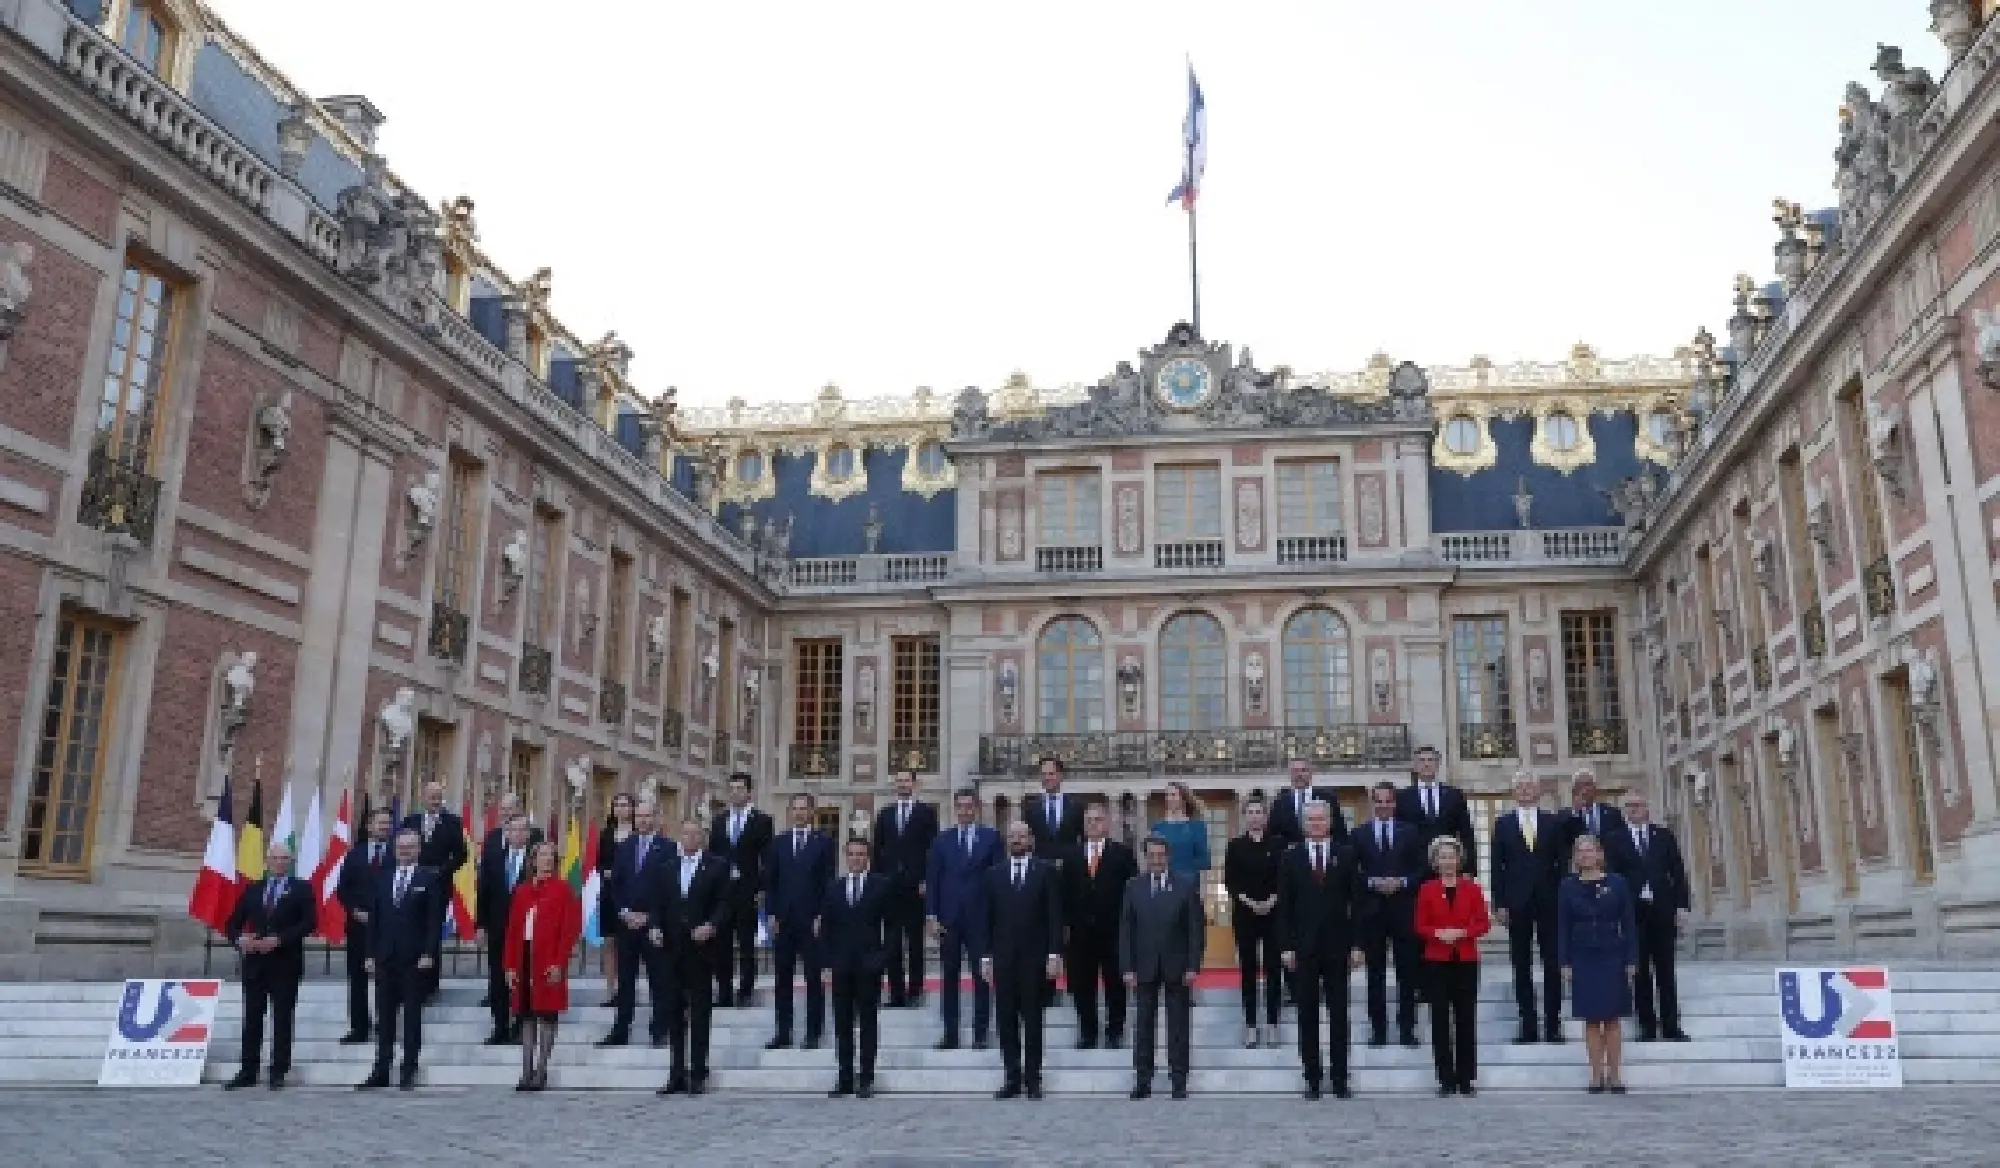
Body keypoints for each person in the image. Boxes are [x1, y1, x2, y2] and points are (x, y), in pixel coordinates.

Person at [1276, 800, 1363, 1101]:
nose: (1315, 824)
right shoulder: (1291, 858)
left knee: (1339, 1014)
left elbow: (1358, 904)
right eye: (1310, 820)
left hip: (1338, 947)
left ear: (1329, 822)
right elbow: (1284, 906)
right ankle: (1312, 1077)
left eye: (1320, 819)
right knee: (1307, 1015)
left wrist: (1357, 945)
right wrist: (1286, 946)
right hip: (1304, 948)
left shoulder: (1347, 855)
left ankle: (1340, 1078)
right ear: (1304, 824)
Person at [223, 840, 315, 1090]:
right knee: (252, 1017)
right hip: (255, 964)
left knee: (282, 1018)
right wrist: (240, 939)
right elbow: (232, 923)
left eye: (284, 859)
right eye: (275, 858)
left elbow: (309, 923)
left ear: (291, 862)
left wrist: (280, 939)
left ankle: (278, 1070)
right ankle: (248, 1070)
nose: (279, 863)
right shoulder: (253, 889)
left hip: (285, 963)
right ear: (267, 861)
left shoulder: (302, 889)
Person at [982, 819, 1063, 1100]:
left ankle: (1033, 1079)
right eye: (1012, 835)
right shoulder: (993, 875)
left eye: (1022, 835)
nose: (1016, 840)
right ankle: (1012, 1078)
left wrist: (1054, 954)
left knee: (1033, 1021)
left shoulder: (1046, 872)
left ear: (1031, 839)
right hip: (1003, 959)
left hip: (1035, 959)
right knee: (1006, 1021)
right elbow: (987, 920)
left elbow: (1055, 916)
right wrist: (985, 956)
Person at [1120, 834, 1205, 1100]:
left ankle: (1179, 1079)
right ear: (1146, 857)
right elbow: (1126, 929)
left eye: (1161, 855)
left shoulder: (1185, 885)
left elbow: (1196, 929)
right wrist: (1127, 967)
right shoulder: (1133, 886)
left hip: (1177, 966)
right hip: (1143, 966)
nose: (1156, 860)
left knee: (1178, 1025)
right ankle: (1143, 1079)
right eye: (1151, 855)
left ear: (1168, 856)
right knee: (1143, 1025)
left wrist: (1193, 965)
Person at [359, 829, 445, 1091]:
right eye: (401, 847)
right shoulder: (382, 879)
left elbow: (433, 922)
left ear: (418, 849)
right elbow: (374, 920)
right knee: (384, 1018)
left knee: (411, 1017)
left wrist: (429, 953)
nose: (405, 851)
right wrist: (370, 954)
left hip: (414, 959)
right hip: (385, 957)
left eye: (410, 847)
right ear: (395, 850)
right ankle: (381, 1069)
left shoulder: (429, 879)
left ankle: (408, 1068)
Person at [1604, 791, 1691, 1043]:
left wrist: (1681, 905)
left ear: (1647, 808)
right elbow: (1612, 876)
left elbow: (1677, 871)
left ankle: (1671, 1025)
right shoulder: (1614, 839)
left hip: (1662, 911)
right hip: (1633, 913)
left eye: (1638, 805)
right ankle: (1647, 1026)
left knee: (1666, 970)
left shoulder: (1663, 836)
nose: (1634, 810)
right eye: (1629, 806)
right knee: (1640, 972)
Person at [652, 818, 731, 1095]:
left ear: (702, 838)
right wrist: (655, 928)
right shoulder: (666, 868)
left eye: (694, 834)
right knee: (673, 1011)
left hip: (701, 949)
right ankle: (676, 1072)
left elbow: (724, 903)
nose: (688, 839)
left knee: (699, 1012)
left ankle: (698, 1071)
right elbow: (658, 905)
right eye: (684, 834)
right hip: (671, 949)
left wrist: (711, 926)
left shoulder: (717, 866)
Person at [1560, 833, 1638, 1094]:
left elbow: (1628, 923)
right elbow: (1562, 926)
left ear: (1600, 854)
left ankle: (1616, 1075)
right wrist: (1564, 961)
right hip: (1583, 955)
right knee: (1591, 1020)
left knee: (1613, 1020)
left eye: (1589, 850)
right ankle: (1596, 1075)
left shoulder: (1618, 883)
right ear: (1575, 857)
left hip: (1612, 953)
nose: (1585, 855)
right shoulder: (1567, 886)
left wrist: (1631, 959)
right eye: (1580, 851)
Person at [1491, 772, 1565, 1045]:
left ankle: (1553, 1025)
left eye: (1529, 786)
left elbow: (1563, 863)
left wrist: (1562, 898)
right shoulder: (1503, 824)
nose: (1524, 790)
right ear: (1514, 792)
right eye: (1519, 786)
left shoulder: (1552, 822)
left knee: (1552, 964)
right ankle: (1528, 1025)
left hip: (1549, 901)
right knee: (1521, 965)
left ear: (1538, 790)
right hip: (1516, 902)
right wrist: (1499, 903)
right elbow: (1497, 867)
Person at [1414, 837, 1491, 1097]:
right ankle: (1445, 1079)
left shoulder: (1472, 888)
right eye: (1442, 857)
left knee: (1465, 1019)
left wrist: (1462, 932)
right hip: (1436, 960)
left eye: (1451, 856)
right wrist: (1438, 934)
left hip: (1466, 959)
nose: (1447, 861)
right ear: (1435, 862)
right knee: (1439, 1020)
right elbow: (1420, 925)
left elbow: (1483, 923)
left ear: (1460, 860)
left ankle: (1466, 1078)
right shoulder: (1427, 889)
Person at [927, 788, 1001, 1050]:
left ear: (977, 807)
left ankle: (980, 1033)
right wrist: (931, 915)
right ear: (955, 808)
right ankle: (951, 1033)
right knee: (949, 976)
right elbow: (933, 880)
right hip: (949, 919)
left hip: (981, 919)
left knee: (983, 976)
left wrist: (996, 917)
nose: (965, 810)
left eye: (969, 806)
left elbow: (997, 880)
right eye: (960, 806)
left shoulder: (991, 838)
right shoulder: (941, 841)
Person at [504, 838, 580, 1092]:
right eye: (542, 855)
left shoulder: (563, 889)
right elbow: (513, 930)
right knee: (526, 1015)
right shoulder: (523, 890)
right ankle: (526, 1070)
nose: (547, 859)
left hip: (548, 958)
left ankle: (541, 1070)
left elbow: (569, 931)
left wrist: (559, 962)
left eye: (551, 855)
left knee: (547, 1014)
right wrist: (510, 966)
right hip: (524, 955)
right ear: (533, 860)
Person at [1353, 781, 1424, 1048]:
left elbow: (1421, 870)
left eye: (1388, 801)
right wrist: (1373, 883)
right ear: (1373, 803)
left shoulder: (1411, 832)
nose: (1383, 805)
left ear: (1395, 803)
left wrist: (1402, 882)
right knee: (1376, 974)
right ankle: (1378, 1030)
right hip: (1372, 913)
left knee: (1407, 972)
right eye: (1379, 801)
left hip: (1404, 910)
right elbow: (1353, 873)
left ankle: (1407, 1029)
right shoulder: (1359, 834)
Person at [818, 836, 891, 1098]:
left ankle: (866, 1077)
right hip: (841, 966)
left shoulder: (881, 885)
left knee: (868, 1023)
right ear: (845, 857)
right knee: (843, 1024)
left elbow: (891, 927)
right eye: (851, 854)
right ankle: (845, 1076)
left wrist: (882, 959)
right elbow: (826, 928)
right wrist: (826, 963)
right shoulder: (834, 888)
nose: (856, 858)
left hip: (869, 966)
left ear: (867, 857)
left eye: (861, 854)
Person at [1064, 802, 1137, 1050]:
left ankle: (1115, 1031)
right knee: (1082, 985)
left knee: (1115, 984)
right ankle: (1088, 1032)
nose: (1092, 824)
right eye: (1088, 820)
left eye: (1097, 819)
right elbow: (1065, 894)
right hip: (1080, 934)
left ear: (1107, 823)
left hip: (1113, 931)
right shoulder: (1072, 855)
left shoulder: (1123, 854)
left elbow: (1132, 894)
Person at [600, 801, 671, 1048]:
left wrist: (651, 918)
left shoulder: (669, 848)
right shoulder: (625, 846)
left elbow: (669, 889)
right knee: (626, 980)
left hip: (654, 927)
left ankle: (660, 1029)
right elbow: (615, 884)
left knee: (658, 980)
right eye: (638, 815)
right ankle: (621, 1029)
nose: (642, 820)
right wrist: (623, 912)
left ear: (656, 817)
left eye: (647, 815)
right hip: (627, 924)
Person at [766, 793, 834, 1050]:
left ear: (811, 812)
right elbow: (770, 882)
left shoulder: (823, 842)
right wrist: (771, 913)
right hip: (783, 920)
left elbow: (828, 881)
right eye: (795, 809)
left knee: (813, 979)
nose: (799, 813)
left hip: (812, 920)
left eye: (803, 809)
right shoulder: (779, 843)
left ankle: (813, 1032)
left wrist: (822, 915)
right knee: (782, 979)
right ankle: (783, 1032)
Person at [873, 769, 938, 1008]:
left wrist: (926, 880)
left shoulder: (926, 813)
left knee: (915, 941)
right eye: (898, 781)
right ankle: (896, 993)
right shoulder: (884, 814)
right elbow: (877, 851)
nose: (902, 784)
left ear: (914, 784)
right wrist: (878, 882)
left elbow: (933, 852)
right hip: (890, 887)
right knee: (891, 942)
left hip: (915, 886)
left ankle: (916, 990)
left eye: (906, 781)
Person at [1223, 795, 1284, 1048]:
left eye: (1259, 812)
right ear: (1245, 816)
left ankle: (1272, 1024)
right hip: (1245, 914)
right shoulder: (1235, 846)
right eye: (1251, 812)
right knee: (1248, 970)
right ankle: (1250, 1025)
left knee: (1273, 969)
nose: (1255, 816)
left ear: (1265, 816)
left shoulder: (1278, 844)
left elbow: (1285, 876)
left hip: (1273, 913)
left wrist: (1272, 899)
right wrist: (1248, 901)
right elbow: (1230, 881)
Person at [709, 772, 773, 1007]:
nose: (735, 792)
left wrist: (762, 889)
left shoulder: (762, 821)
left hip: (747, 891)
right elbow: (713, 856)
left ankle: (745, 990)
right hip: (723, 893)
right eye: (732, 788)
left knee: (746, 943)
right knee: (721, 945)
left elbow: (767, 859)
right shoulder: (719, 820)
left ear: (748, 792)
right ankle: (723, 992)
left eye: (739, 788)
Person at [400, 783, 467, 1003]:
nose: (435, 801)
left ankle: (430, 984)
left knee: (432, 932)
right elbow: (400, 848)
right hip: (411, 884)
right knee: (411, 929)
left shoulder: (452, 823)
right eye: (431, 797)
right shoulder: (411, 821)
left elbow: (461, 854)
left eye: (438, 797)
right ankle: (410, 979)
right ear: (423, 797)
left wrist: (442, 871)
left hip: (438, 885)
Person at [336, 805, 394, 1045]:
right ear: (369, 826)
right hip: (359, 924)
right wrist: (354, 910)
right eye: (380, 823)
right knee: (358, 978)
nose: (384, 827)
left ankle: (385, 1023)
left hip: (387, 926)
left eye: (388, 824)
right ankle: (359, 1027)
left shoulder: (396, 853)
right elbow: (343, 888)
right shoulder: (355, 854)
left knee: (386, 977)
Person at [476, 814, 534, 1045]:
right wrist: (480, 925)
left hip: (526, 930)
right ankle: (500, 1026)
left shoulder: (535, 861)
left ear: (528, 834)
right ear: (506, 833)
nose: (517, 834)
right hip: (498, 928)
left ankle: (521, 1024)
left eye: (522, 830)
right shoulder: (493, 858)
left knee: (522, 977)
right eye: (513, 830)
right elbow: (483, 894)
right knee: (498, 978)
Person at [1397, 745, 1478, 875]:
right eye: (1422, 760)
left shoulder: (1454, 795)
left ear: (1438, 764)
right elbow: (1398, 836)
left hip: (1448, 866)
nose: (1426, 764)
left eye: (1431, 760)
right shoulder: (1403, 797)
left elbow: (1466, 833)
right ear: (1415, 766)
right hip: (1414, 867)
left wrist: (1469, 869)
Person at [596, 792, 636, 1007]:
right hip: (609, 893)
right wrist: (605, 872)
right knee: (610, 943)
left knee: (627, 944)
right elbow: (599, 862)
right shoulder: (606, 834)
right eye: (617, 805)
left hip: (631, 894)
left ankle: (626, 989)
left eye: (625, 805)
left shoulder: (638, 834)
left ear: (632, 809)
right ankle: (611, 990)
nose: (621, 809)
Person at [1268, 756, 1347, 846]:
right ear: (1290, 774)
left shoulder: (1328, 797)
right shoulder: (1279, 802)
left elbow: (1340, 830)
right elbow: (1273, 832)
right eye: (1295, 771)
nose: (1299, 774)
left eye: (1303, 770)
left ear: (1310, 773)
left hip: (1322, 854)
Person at [1149, 781, 1212, 882]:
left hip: (1189, 883)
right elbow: (1153, 858)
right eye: (1167, 795)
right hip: (1164, 882)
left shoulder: (1197, 827)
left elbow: (1203, 861)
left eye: (1173, 795)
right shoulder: (1158, 827)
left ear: (1183, 799)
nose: (1169, 798)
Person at [1025, 756, 1086, 859]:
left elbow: (1085, 838)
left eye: (1051, 774)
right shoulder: (1031, 807)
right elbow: (1026, 839)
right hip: (1042, 866)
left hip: (1070, 866)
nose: (1047, 778)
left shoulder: (1076, 805)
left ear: (1061, 776)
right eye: (1043, 774)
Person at [1563, 769, 1626, 860]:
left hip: (1607, 863)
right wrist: (1576, 812)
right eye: (1580, 785)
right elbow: (1564, 840)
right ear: (1574, 791)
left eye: (1588, 784)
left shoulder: (1612, 813)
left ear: (1595, 788)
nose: (1584, 789)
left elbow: (1619, 840)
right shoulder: (1565, 816)